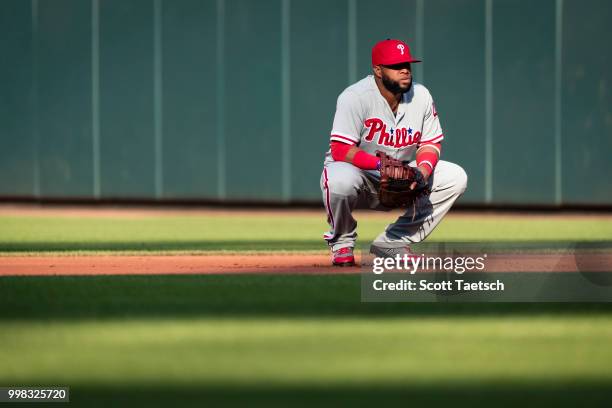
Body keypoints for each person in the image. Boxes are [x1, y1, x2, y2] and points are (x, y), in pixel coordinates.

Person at [320, 39, 468, 266]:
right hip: (363, 174)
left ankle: (393, 241)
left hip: (405, 174)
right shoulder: (355, 97)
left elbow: (430, 142)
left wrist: (423, 171)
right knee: (338, 178)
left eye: (407, 65)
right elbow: (341, 149)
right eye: (396, 65)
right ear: (377, 70)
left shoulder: (421, 96)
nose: (405, 70)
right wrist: (381, 166)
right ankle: (342, 243)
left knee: (455, 177)